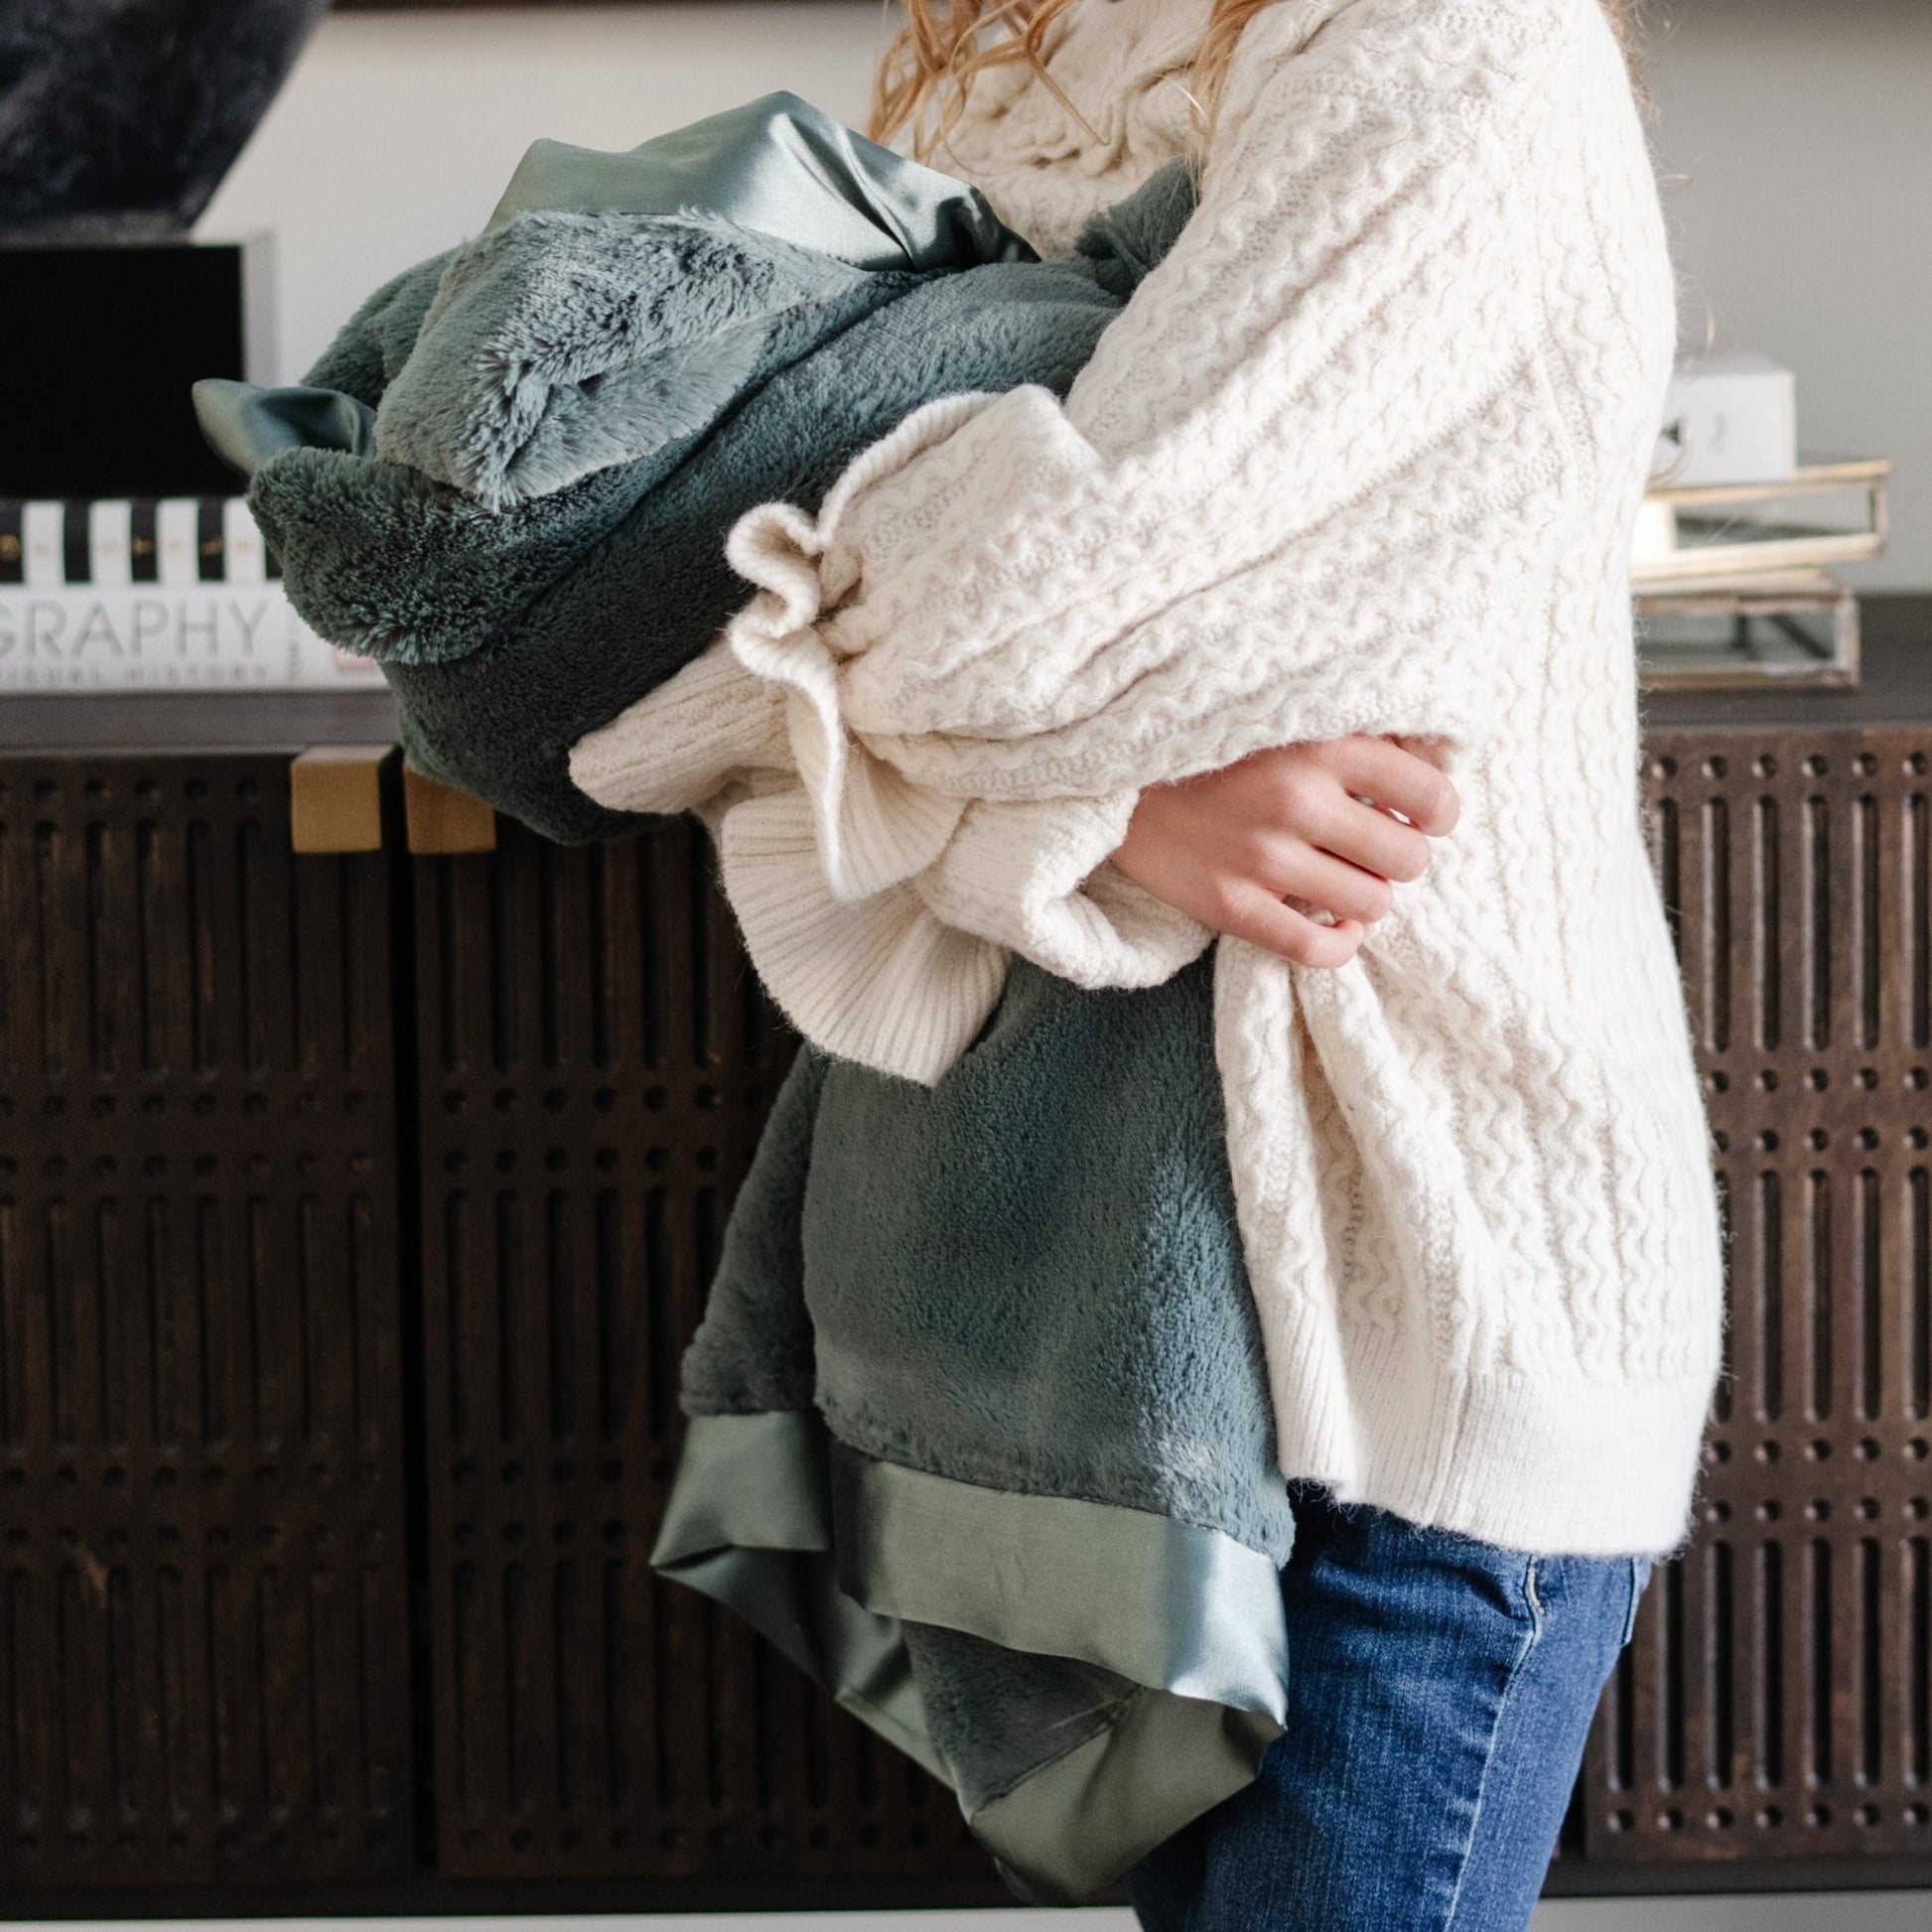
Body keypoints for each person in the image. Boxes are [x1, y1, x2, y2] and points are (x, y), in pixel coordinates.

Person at [656, 1, 1722, 1924]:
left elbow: (970, 588)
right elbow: (665, 633)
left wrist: (872, 652)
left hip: (1421, 1313)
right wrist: (1097, 807)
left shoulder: (1454, 40)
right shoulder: (1022, 44)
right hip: (1108, 1338)